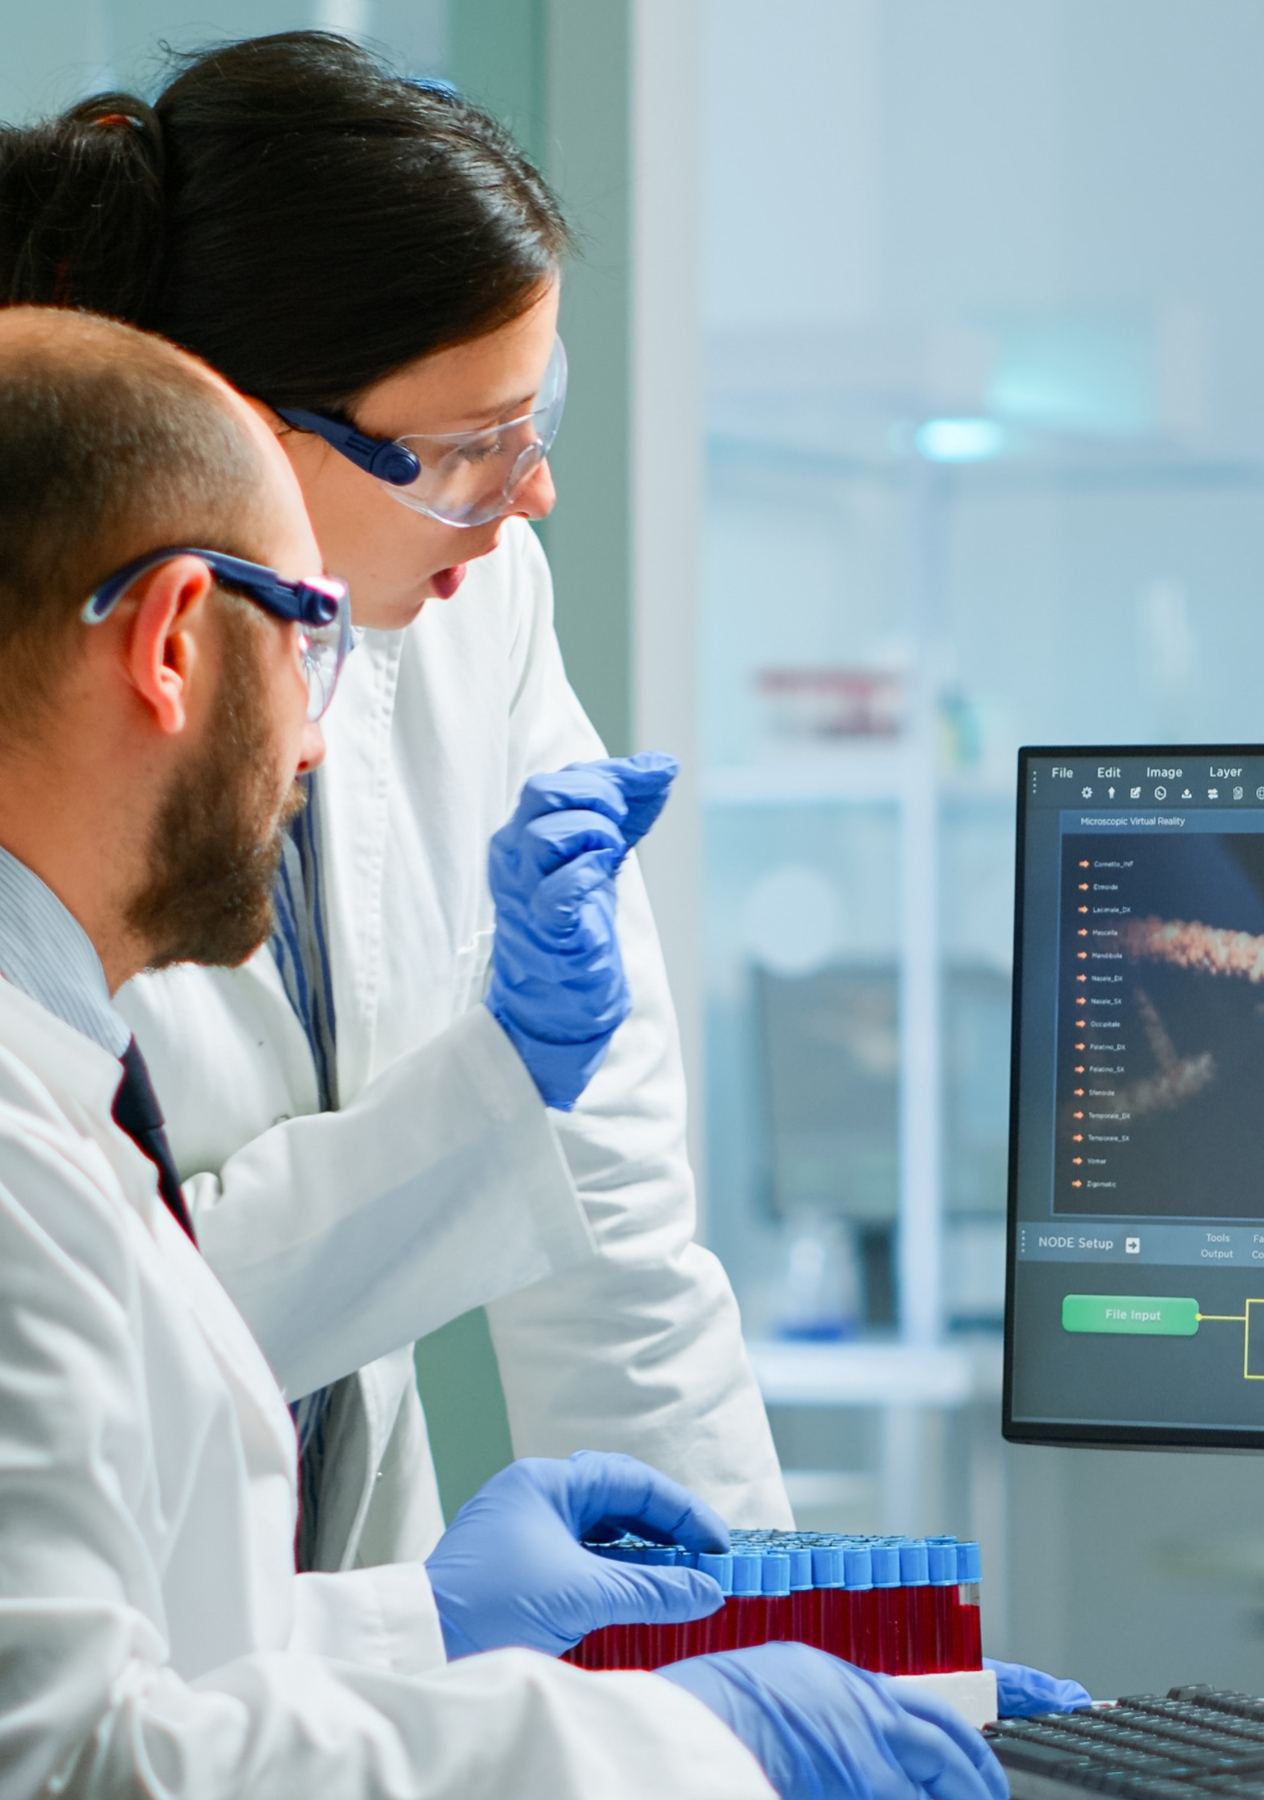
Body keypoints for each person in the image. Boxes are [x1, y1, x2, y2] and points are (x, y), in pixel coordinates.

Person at [0, 302, 1011, 1800]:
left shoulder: (49, 1083)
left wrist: (432, 1625)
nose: (320, 742)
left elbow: (121, 1668)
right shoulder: (25, 1151)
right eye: (308, 639)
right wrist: (693, 1741)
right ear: (169, 645)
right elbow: (73, 1764)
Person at [0, 26, 790, 1575]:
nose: (526, 500)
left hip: (318, 1598)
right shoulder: (49, 725)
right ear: (228, 426)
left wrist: (736, 1618)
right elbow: (93, 1298)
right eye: (465, 450)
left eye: (535, 424)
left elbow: (610, 1210)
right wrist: (492, 1094)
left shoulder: (471, 609)